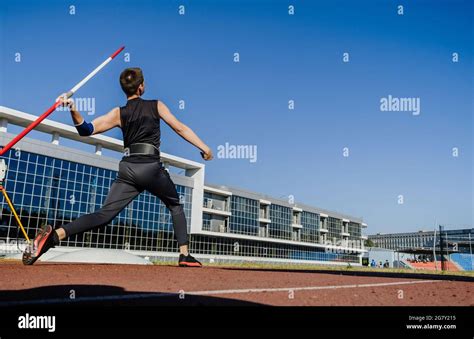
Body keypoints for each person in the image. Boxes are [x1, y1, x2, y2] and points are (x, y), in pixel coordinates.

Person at [22, 68, 213, 267]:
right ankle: (184, 255)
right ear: (141, 86)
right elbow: (179, 127)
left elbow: (86, 130)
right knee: (175, 205)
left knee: (103, 215)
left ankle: (54, 236)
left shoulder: (118, 113)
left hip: (128, 169)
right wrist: (204, 148)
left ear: (124, 89)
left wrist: (72, 107)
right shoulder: (156, 106)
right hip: (150, 166)